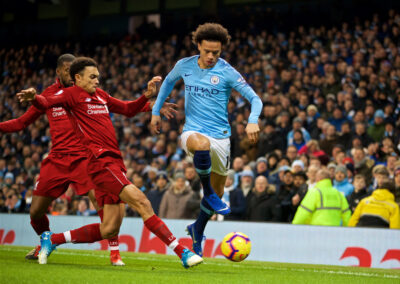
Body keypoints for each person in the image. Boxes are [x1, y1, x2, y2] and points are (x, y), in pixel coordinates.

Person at [17, 57, 203, 268]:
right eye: (92, 77)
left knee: (109, 228)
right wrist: (34, 98)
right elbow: (45, 102)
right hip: (100, 162)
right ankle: (183, 253)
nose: (97, 80)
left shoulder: (100, 95)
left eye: (98, 76)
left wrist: (146, 97)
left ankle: (53, 239)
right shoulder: (69, 95)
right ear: (77, 78)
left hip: (114, 161)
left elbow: (127, 109)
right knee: (142, 202)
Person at [0, 54, 131, 265]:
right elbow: (21, 123)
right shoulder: (49, 95)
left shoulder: (87, 93)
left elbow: (124, 107)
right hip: (57, 160)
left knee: (103, 204)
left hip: (84, 159)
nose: (72, 76)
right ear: (59, 71)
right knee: (35, 212)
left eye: (75, 72)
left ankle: (114, 253)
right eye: (68, 71)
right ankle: (46, 241)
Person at [150, 23, 262, 256]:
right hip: (193, 132)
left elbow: (255, 98)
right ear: (198, 45)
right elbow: (168, 83)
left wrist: (253, 119)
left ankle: (197, 228)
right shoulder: (184, 65)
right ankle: (207, 190)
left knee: (218, 195)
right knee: (202, 146)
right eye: (207, 51)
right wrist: (155, 111)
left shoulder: (227, 71)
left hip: (222, 137)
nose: (211, 56)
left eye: (216, 52)